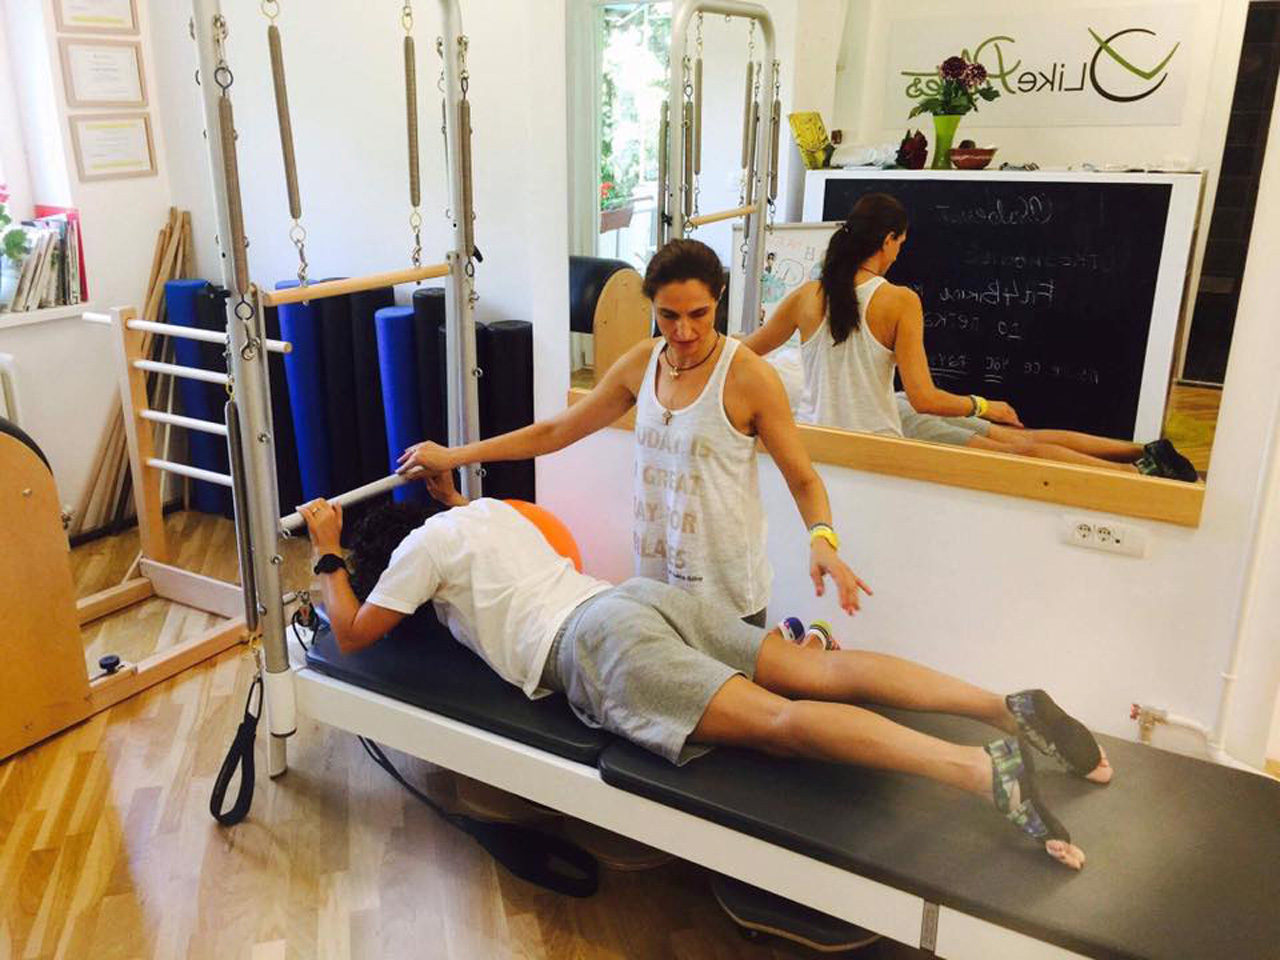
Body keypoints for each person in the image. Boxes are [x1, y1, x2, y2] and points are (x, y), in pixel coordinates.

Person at [295, 472, 1111, 871]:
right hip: (636, 596)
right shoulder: (483, 513)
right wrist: (446, 488)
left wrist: (329, 548)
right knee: (816, 675)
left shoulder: (415, 553)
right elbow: (458, 536)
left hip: (597, 644)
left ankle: (978, 771)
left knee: (780, 726)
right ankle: (1002, 706)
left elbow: (356, 632)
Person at [396, 238, 871, 627]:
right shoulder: (644, 362)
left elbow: (804, 479)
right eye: (668, 315)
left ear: (719, 298)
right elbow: (555, 431)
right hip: (654, 584)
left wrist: (822, 539)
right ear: (653, 306)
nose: (683, 331)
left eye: (699, 314)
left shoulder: (749, 376)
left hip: (727, 595)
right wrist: (454, 456)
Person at [742, 193, 1198, 482]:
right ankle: (1141, 470)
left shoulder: (805, 296)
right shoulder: (898, 300)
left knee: (1022, 443)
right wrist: (983, 404)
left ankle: (1143, 459)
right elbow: (924, 398)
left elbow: (744, 351)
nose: (899, 253)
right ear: (887, 240)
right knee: (1022, 445)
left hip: (833, 434)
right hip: (881, 440)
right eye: (901, 243)